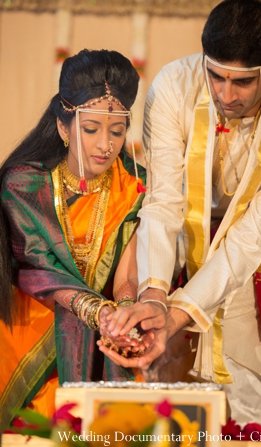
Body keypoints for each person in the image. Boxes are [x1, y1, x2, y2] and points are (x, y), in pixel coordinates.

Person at [99, 0, 261, 434]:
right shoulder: (174, 85)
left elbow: (250, 239)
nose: (225, 95)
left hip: (250, 260)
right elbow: (164, 199)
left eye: (242, 82)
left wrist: (179, 314)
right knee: (166, 408)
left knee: (245, 408)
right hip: (168, 250)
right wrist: (155, 296)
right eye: (216, 75)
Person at [0, 48, 162, 432]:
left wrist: (124, 316)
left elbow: (126, 274)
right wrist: (99, 312)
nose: (106, 145)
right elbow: (38, 268)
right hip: (32, 335)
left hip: (103, 343)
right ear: (63, 127)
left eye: (117, 131)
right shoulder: (25, 185)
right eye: (91, 129)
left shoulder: (134, 188)